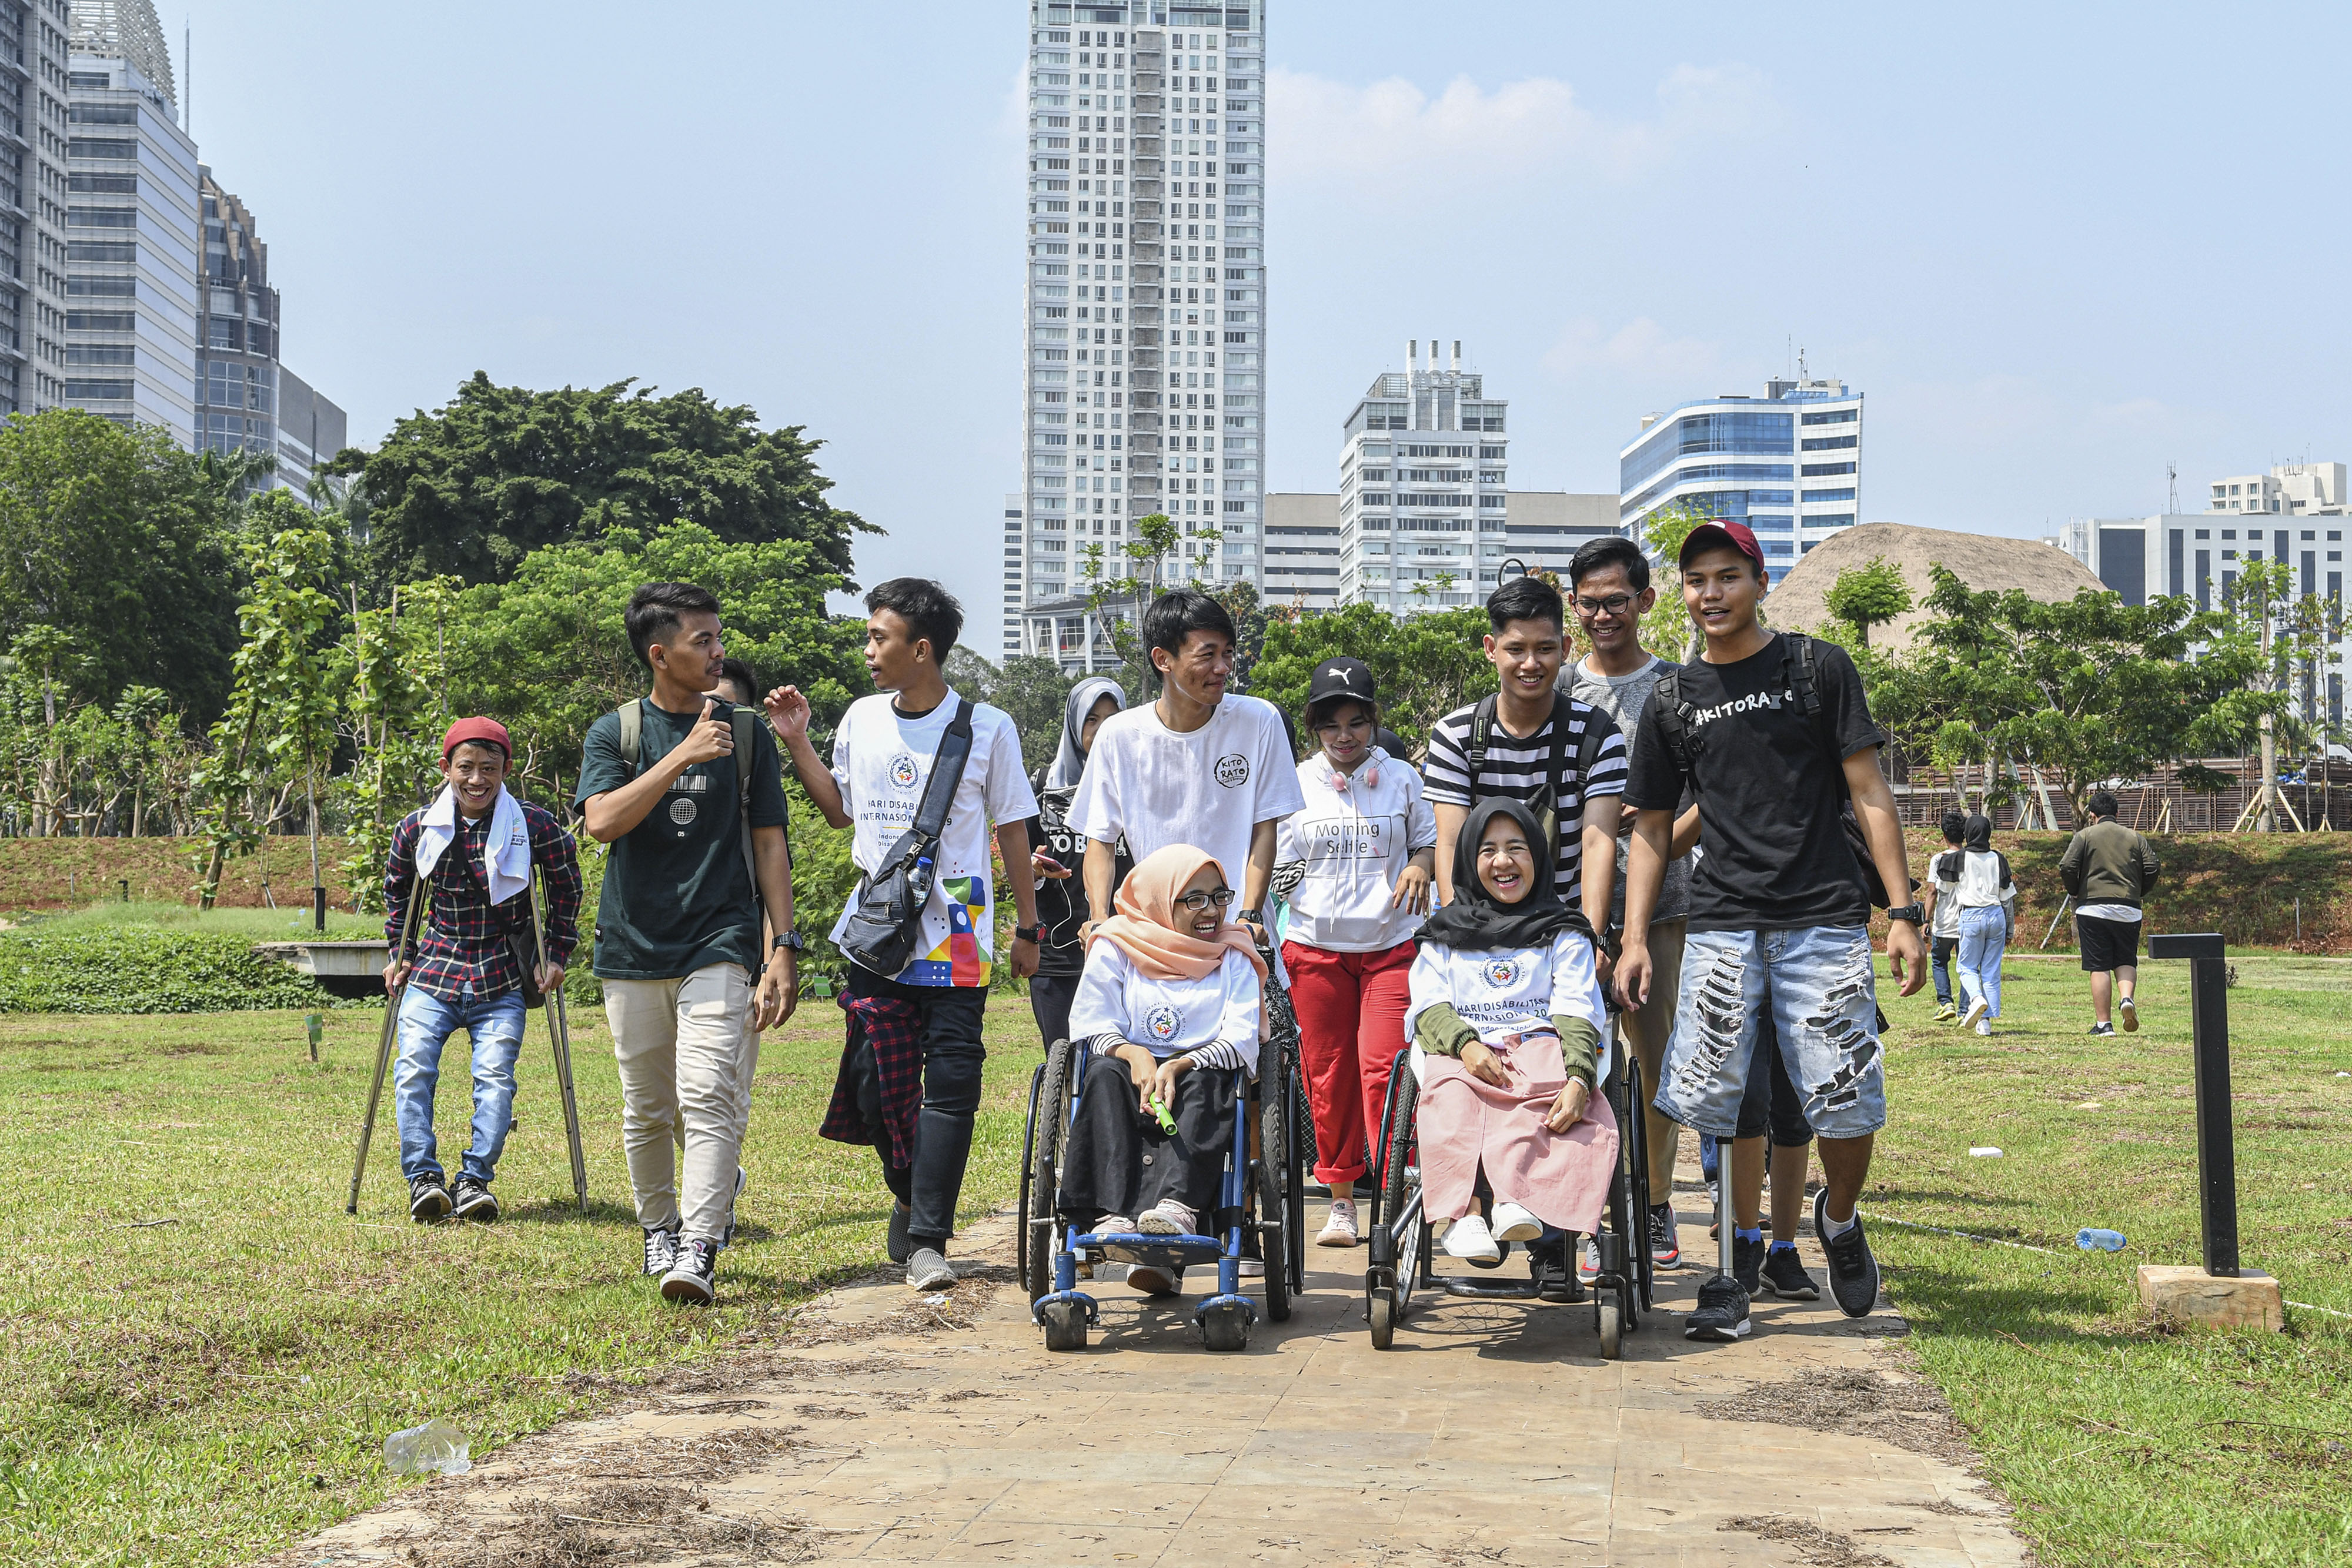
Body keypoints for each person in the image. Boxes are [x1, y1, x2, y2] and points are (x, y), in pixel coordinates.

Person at [1615, 520, 1924, 1343]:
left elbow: (1869, 791)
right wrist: (1636, 936)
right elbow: (1652, 828)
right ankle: (1728, 1272)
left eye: (1727, 576)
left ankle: (1840, 1217)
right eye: (1696, 580)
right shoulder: (1674, 699)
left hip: (1821, 919)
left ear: (1759, 581)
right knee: (1720, 1104)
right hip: (1722, 924)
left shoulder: (1816, 669)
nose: (1710, 593)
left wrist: (1902, 913)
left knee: (1846, 1101)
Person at [764, 579, 1040, 1293]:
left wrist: (1028, 927)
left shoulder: (989, 727)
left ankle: (927, 1239)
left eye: (878, 637)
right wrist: (797, 741)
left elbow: (1013, 829)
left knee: (953, 1081)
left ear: (921, 649)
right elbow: (838, 812)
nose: (867, 650)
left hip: (959, 926)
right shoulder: (861, 718)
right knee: (874, 1080)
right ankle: (909, 1193)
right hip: (879, 927)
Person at [577, 584, 798, 1306]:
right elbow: (602, 822)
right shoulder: (615, 732)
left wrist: (782, 945)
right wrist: (683, 756)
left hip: (720, 937)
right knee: (646, 1106)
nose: (718, 652)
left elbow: (769, 844)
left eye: (718, 638)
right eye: (703, 640)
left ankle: (700, 1244)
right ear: (659, 654)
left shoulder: (747, 733)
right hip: (633, 944)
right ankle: (658, 1227)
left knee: (708, 1093)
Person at [1404, 800, 1618, 1302]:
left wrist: (1579, 1077)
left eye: (1516, 848)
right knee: (1451, 1093)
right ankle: (1468, 1215)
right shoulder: (1443, 934)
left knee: (1541, 1087)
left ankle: (1514, 1200)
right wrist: (1466, 1045)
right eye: (1489, 850)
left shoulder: (1564, 930)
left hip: (1539, 1043)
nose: (1503, 861)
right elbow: (1429, 1004)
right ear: (1470, 861)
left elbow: (1577, 1007)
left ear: (1538, 857)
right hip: (1462, 1046)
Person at [1561, 534, 1700, 1271]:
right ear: (1572, 606)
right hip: (1567, 913)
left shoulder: (1679, 687)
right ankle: (1583, 1211)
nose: (1603, 616)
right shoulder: (1557, 687)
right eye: (1589, 604)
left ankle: (1652, 1202)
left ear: (1645, 601)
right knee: (1572, 1061)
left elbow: (1708, 795)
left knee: (1653, 1063)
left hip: (1665, 907)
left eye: (1616, 601)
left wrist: (1652, 839)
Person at [383, 717, 582, 1224]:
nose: (477, 779)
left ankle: (474, 1180)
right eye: (466, 767)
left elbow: (567, 883)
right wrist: (399, 951)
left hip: (501, 975)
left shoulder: (533, 825)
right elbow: (398, 891)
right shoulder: (418, 827)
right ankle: (423, 1178)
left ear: (505, 769)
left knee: (495, 1079)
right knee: (412, 1070)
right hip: (434, 970)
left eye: (489, 768)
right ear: (446, 768)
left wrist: (556, 952)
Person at [1275, 657, 1437, 1248]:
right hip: (1315, 951)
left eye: (1356, 723)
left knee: (1385, 1070)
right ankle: (1342, 1201)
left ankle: (1394, 1198)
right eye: (1330, 725)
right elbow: (1273, 864)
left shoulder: (1403, 779)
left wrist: (1420, 866)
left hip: (1390, 949)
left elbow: (1430, 841)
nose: (1344, 737)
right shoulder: (1294, 783)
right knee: (1327, 1075)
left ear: (1373, 720)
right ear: (1314, 727)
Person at [1060, 845, 1268, 1298]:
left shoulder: (1234, 952)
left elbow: (1241, 1036)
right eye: (1194, 899)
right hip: (1127, 1064)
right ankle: (1114, 1212)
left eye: (1219, 896)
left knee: (1210, 1084)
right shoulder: (1116, 944)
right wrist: (1136, 1055)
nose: (1211, 911)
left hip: (1199, 1064)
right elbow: (1092, 1022)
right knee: (1102, 1075)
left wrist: (1180, 1062)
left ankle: (1178, 1208)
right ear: (1158, 900)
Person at [1070, 589, 1306, 949]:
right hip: (1156, 936)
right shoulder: (1120, 735)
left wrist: (1250, 915)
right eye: (1207, 655)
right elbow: (1101, 839)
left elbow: (1264, 829)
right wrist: (1099, 918)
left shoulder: (1259, 720)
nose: (1222, 667)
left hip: (1239, 935)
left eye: (1228, 653)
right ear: (1163, 659)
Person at [1423, 574, 1627, 955]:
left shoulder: (1597, 734)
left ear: (1565, 648)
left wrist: (1593, 937)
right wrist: (1459, 936)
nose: (1530, 663)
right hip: (1479, 936)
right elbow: (1450, 842)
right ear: (1491, 649)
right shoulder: (1456, 735)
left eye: (1545, 648)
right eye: (1516, 649)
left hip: (1565, 934)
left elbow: (1598, 841)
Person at [1024, 677, 1131, 1051]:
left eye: (1112, 719)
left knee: (1118, 1058)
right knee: (1063, 1058)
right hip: (1058, 953)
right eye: (1092, 719)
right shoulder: (1042, 786)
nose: (1101, 729)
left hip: (1126, 949)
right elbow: (1022, 859)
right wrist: (1035, 870)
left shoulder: (1137, 786)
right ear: (1074, 725)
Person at [2060, 790, 2160, 1037]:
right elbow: (2153, 867)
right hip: (2129, 909)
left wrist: (2075, 890)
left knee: (2099, 965)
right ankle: (2126, 999)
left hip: (2093, 909)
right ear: (2117, 813)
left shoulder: (2085, 836)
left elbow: (2067, 866)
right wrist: (2138, 892)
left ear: (2092, 815)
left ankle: (2104, 1025)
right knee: (2126, 959)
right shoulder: (2135, 837)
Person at [1943, 814, 2017, 1037]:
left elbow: (1944, 888)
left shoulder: (1959, 858)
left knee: (1966, 967)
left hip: (1972, 915)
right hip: (1996, 916)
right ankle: (1985, 1024)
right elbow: (2007, 899)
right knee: (1991, 971)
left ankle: (1976, 998)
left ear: (1967, 833)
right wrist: (2010, 929)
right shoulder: (1998, 859)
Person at [1922, 811, 1969, 1022]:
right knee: (1967, 966)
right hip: (1966, 921)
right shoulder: (1971, 857)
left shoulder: (1938, 859)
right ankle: (1965, 1011)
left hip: (1944, 922)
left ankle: (1945, 1003)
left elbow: (1932, 892)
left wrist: (1926, 920)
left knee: (1939, 961)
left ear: (1944, 835)